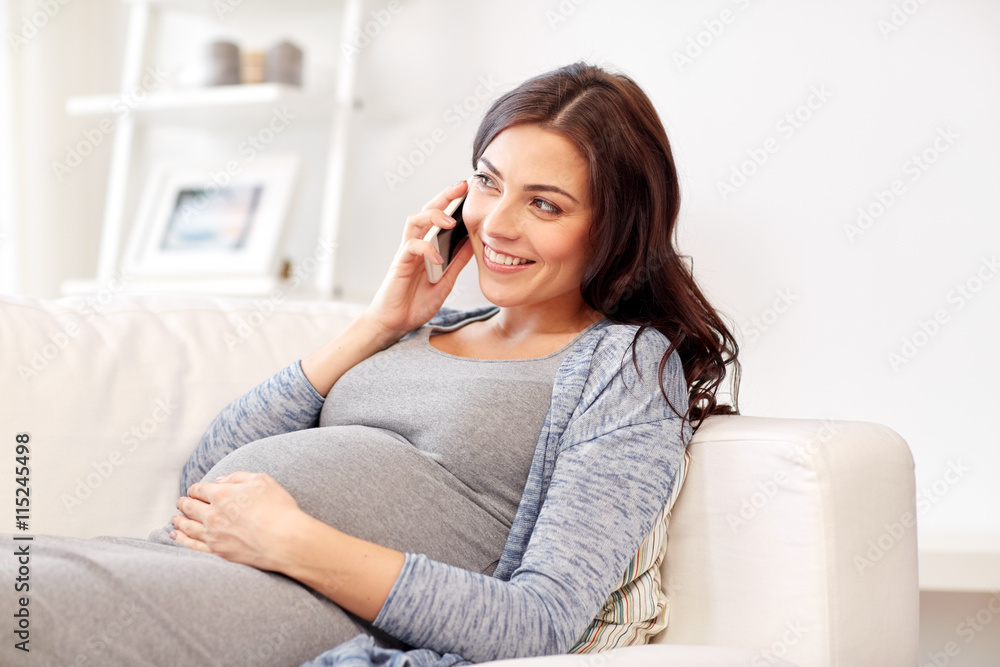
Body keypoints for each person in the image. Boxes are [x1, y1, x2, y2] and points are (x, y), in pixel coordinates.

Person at [0, 61, 739, 666]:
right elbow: (207, 475)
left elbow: (538, 623)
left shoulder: (626, 364)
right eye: (487, 182)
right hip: (187, 560)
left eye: (544, 204)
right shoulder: (423, 326)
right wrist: (379, 323)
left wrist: (291, 539)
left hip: (296, 600)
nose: (496, 223)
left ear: (616, 225)